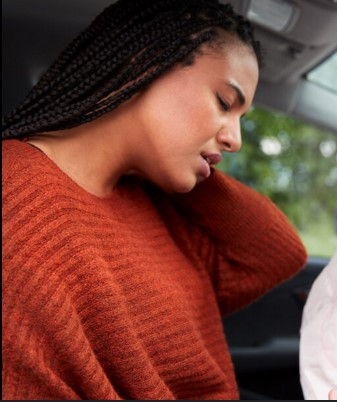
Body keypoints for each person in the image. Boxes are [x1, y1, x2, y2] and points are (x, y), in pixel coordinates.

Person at [1, 0, 308, 399]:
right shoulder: (17, 200)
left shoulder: (151, 201)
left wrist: (188, 170)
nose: (235, 139)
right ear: (145, 63)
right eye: (224, 103)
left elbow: (276, 254)